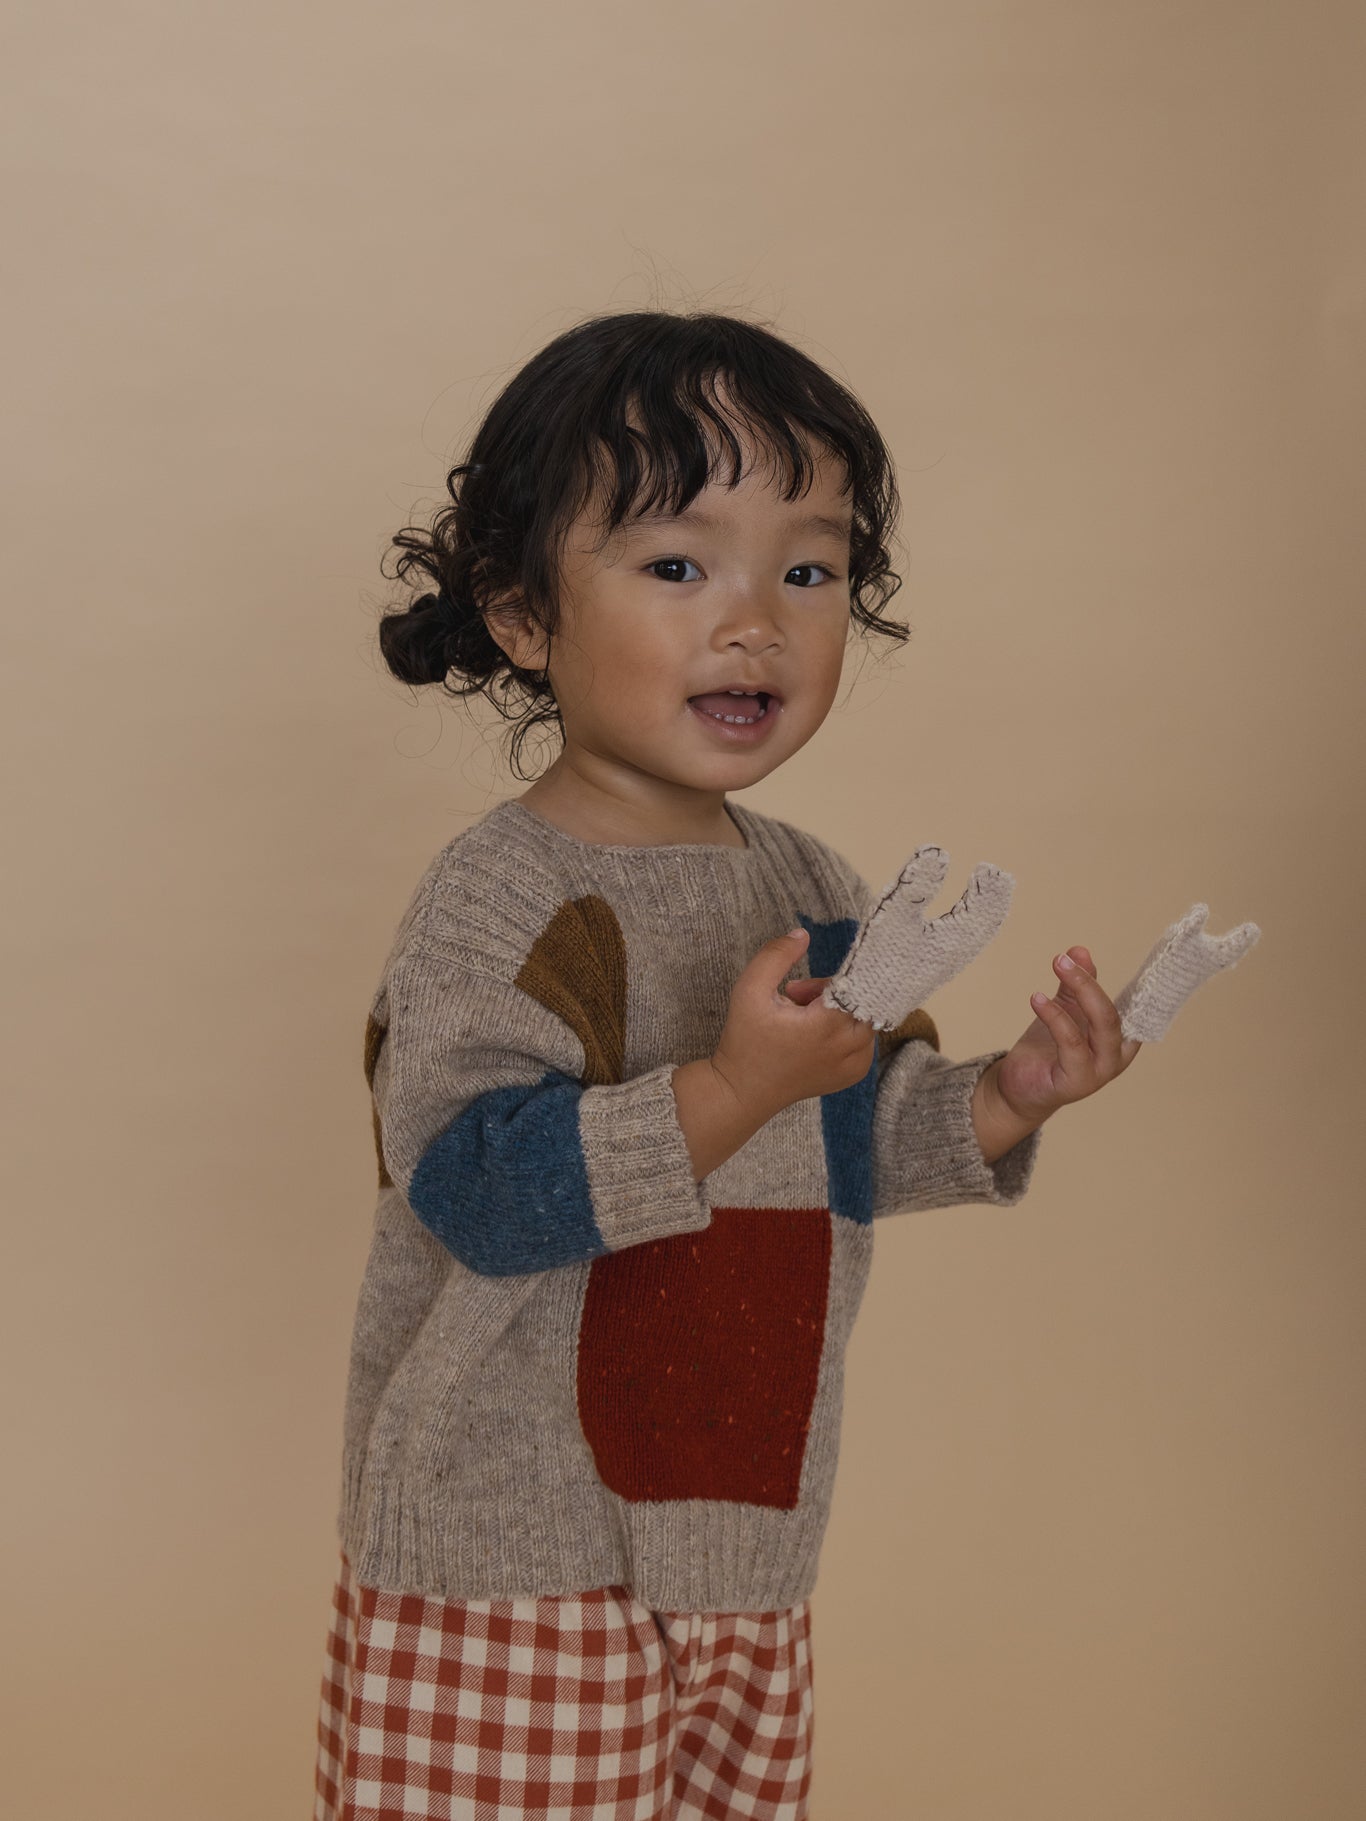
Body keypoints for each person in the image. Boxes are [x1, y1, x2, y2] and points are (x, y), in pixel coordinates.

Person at [312, 309, 1141, 1821]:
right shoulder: (498, 897)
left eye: (806, 568)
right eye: (678, 565)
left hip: (741, 1516)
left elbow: (846, 1127)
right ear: (517, 614)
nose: (753, 618)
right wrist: (732, 1083)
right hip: (515, 1543)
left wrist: (1005, 1096)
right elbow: (477, 1191)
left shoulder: (808, 873)